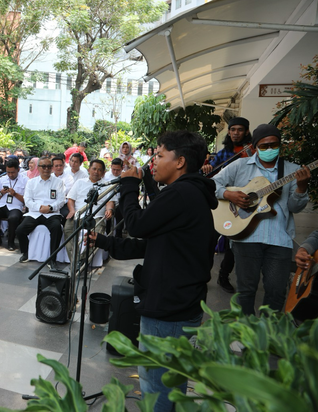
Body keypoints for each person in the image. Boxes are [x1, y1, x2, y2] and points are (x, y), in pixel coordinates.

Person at [88, 130, 218, 412]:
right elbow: (153, 242)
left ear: (180, 161)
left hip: (167, 308)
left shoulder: (182, 194)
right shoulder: (188, 193)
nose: (152, 162)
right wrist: (105, 241)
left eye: (159, 156)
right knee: (171, 383)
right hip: (180, 302)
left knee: (156, 387)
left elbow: (137, 224)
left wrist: (129, 186)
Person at [212, 124, 310, 315]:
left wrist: (301, 188)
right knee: (246, 291)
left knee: (276, 292)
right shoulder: (240, 166)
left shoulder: (292, 170)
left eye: (274, 145)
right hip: (246, 237)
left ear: (280, 145)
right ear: (255, 147)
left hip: (279, 239)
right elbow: (212, 183)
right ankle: (246, 333)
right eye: (264, 146)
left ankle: (267, 335)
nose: (269, 149)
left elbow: (294, 208)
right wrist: (228, 194)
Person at [201, 117, 253, 294]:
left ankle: (223, 276)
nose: (236, 133)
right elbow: (210, 176)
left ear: (246, 132)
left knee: (233, 243)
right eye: (233, 130)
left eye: (240, 130)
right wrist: (207, 168)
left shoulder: (253, 152)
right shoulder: (223, 153)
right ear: (229, 132)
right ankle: (202, 275)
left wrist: (251, 155)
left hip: (241, 202)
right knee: (209, 240)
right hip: (222, 202)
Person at [15, 156, 66, 271]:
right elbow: (27, 200)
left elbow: (61, 200)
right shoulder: (31, 182)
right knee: (20, 230)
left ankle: (52, 259)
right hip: (35, 213)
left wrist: (50, 207)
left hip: (52, 213)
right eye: (43, 166)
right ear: (38, 168)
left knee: (57, 228)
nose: (46, 169)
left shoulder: (58, 182)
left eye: (49, 166)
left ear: (52, 168)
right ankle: (26, 253)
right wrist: (39, 208)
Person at [64, 159, 112, 264]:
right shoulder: (79, 182)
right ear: (89, 169)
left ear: (103, 173)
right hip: (78, 214)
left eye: (99, 170)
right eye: (94, 169)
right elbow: (71, 199)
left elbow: (110, 201)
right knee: (68, 230)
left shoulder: (107, 185)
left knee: (97, 235)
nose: (96, 172)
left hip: (96, 216)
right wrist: (72, 210)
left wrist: (109, 209)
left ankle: (81, 260)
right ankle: (75, 260)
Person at [0, 159, 27, 251]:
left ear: (18, 169)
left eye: (12, 172)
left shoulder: (25, 180)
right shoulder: (1, 179)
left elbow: (26, 200)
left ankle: (11, 242)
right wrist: (1, 193)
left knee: (13, 218)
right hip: (1, 205)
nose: (10, 175)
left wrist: (15, 194)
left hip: (16, 207)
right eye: (8, 172)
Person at [105, 158, 123, 237]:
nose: (115, 172)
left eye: (118, 170)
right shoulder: (106, 176)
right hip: (108, 200)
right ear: (111, 167)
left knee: (120, 212)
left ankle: (119, 234)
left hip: (120, 200)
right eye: (113, 169)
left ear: (122, 168)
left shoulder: (124, 176)